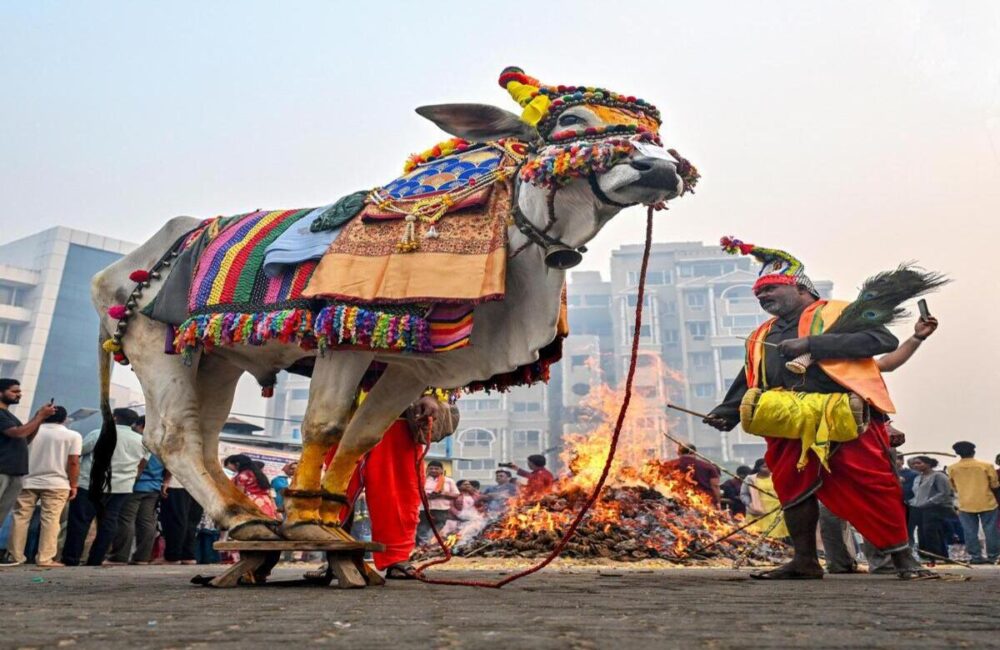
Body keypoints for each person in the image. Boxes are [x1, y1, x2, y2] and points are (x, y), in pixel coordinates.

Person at [705, 238, 928, 579]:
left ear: (801, 289)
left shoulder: (835, 312)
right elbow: (751, 376)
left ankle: (904, 560)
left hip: (843, 415)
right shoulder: (759, 334)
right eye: (759, 294)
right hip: (784, 419)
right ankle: (805, 561)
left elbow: (882, 341)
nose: (763, 297)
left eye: (771, 289)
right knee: (791, 489)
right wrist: (728, 411)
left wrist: (812, 344)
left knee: (874, 484)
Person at [61, 408, 147, 566]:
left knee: (80, 522)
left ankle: (71, 558)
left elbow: (78, 452)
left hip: (90, 485)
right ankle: (96, 559)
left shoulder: (98, 433)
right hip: (121, 487)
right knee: (109, 523)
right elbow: (142, 464)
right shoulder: (142, 441)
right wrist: (131, 478)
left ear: (114, 418)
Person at [2, 405, 80, 567]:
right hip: (57, 484)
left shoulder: (31, 431)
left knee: (20, 517)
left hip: (27, 480)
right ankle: (45, 558)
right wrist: (73, 484)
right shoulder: (73, 436)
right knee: (51, 520)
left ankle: (15, 556)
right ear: (65, 419)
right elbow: (73, 462)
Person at [0, 379, 58, 538]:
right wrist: (39, 416)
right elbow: (18, 433)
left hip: (14, 472)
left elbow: (25, 439)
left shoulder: (10, 416)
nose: (19, 394)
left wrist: (39, 419)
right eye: (14, 391)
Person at [109, 417, 168, 565]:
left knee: (126, 520)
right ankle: (142, 557)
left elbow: (138, 466)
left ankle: (120, 556)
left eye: (135, 424)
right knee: (147, 521)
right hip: (154, 487)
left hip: (136, 486)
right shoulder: (161, 445)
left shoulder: (140, 441)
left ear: (142, 426)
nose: (133, 427)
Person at [946, 441, 1000, 564]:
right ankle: (993, 556)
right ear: (973, 451)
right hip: (988, 502)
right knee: (991, 531)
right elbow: (994, 485)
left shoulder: (952, 468)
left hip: (965, 503)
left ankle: (976, 557)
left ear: (957, 453)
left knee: (969, 531)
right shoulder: (986, 466)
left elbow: (952, 487)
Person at [908, 456, 954, 565]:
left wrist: (929, 501)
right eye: (914, 464)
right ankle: (925, 556)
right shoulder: (918, 478)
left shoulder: (938, 476)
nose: (916, 466)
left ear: (928, 464)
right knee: (921, 532)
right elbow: (917, 494)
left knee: (931, 531)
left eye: (919, 463)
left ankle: (937, 556)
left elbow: (944, 493)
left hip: (935, 508)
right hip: (919, 509)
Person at [740, 461, 788, 538]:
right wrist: (750, 504)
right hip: (757, 512)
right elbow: (744, 494)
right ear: (758, 468)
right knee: (757, 536)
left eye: (769, 466)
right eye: (764, 467)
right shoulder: (750, 479)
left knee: (775, 536)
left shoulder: (776, 476)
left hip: (776, 511)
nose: (767, 469)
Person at [417, 460, 459, 544]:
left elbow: (456, 495)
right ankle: (423, 546)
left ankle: (430, 543)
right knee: (422, 527)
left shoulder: (449, 481)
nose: (433, 470)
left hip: (441, 509)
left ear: (441, 470)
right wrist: (425, 496)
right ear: (427, 470)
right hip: (423, 508)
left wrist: (442, 494)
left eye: (436, 469)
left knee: (438, 527)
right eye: (431, 468)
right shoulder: (421, 480)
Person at [224, 455, 278, 520]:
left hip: (251, 502)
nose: (228, 466)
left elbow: (239, 494)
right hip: (266, 503)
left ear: (237, 464)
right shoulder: (258, 474)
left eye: (230, 464)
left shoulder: (242, 475)